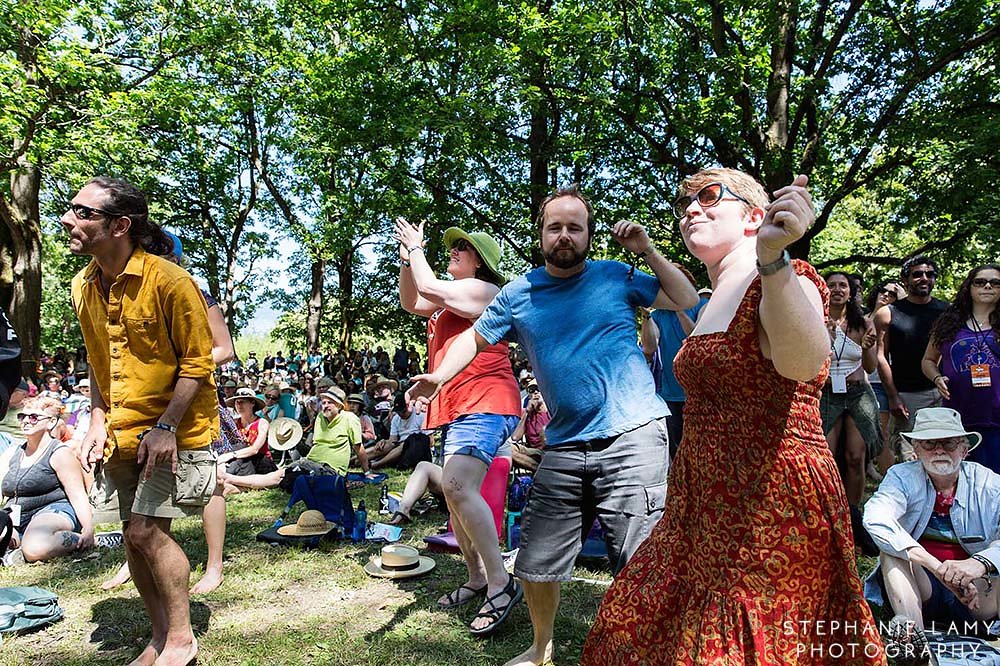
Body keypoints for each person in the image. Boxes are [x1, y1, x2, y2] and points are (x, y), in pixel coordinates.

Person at [582, 170, 881, 664]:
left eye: (708, 196)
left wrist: (774, 260)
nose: (690, 210)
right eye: (684, 204)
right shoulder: (712, 296)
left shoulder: (789, 277)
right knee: (632, 624)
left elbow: (806, 363)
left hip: (769, 502)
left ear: (754, 217)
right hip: (700, 504)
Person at [406, 185, 697, 665]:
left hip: (634, 435)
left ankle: (648, 651)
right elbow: (474, 341)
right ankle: (541, 648)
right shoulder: (519, 293)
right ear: (541, 234)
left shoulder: (617, 275)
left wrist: (646, 249)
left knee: (639, 560)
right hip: (564, 443)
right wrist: (438, 375)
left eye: (574, 227)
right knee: (537, 564)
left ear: (587, 234)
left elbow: (684, 296)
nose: (564, 235)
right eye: (554, 226)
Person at [67, 176, 218, 666]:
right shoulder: (82, 286)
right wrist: (95, 421)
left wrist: (167, 427)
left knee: (145, 531)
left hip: (176, 430)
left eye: (83, 212)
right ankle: (157, 637)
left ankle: (181, 639)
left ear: (121, 226)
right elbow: (97, 361)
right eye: (71, 209)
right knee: (134, 535)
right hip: (120, 431)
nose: (69, 220)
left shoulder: (170, 281)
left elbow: (199, 363)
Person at [395, 218, 523, 637]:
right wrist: (405, 257)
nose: (454, 250)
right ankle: (477, 577)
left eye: (463, 248)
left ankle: (501, 582)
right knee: (454, 498)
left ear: (481, 262)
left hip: (488, 400)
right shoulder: (450, 298)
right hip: (459, 404)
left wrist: (417, 248)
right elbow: (413, 302)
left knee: (456, 487)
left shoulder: (485, 292)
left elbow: (430, 289)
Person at [863, 407, 1000, 657]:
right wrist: (937, 568)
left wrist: (979, 564)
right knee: (891, 552)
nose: (939, 450)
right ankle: (913, 638)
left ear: (964, 449)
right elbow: (875, 518)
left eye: (948, 443)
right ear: (915, 449)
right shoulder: (901, 477)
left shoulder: (988, 482)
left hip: (976, 592)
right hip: (922, 584)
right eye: (929, 443)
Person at [922, 264, 1000, 473]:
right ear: (969, 287)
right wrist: (937, 378)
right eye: (980, 282)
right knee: (960, 475)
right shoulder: (949, 323)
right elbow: (928, 360)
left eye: (995, 282)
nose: (987, 286)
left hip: (996, 414)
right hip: (958, 414)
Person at [0, 396, 94, 563]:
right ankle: (19, 548)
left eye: (34, 417)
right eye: (22, 416)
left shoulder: (59, 453)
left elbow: (78, 494)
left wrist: (88, 529)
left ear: (51, 422)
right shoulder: (12, 452)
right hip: (16, 516)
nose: (26, 421)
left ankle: (83, 539)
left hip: (52, 511)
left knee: (35, 548)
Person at [874, 256, 949, 461]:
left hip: (942, 392)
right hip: (907, 395)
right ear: (905, 279)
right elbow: (881, 357)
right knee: (911, 456)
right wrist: (893, 396)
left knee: (944, 452)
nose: (924, 278)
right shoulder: (888, 313)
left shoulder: (947, 312)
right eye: (917, 274)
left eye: (930, 274)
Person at [820, 271, 880, 506]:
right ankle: (829, 510)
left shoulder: (864, 323)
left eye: (842, 285)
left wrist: (866, 348)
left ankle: (854, 515)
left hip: (857, 393)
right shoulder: (814, 320)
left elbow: (870, 365)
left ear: (850, 291)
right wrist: (826, 339)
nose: (837, 289)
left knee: (855, 457)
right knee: (828, 457)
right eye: (831, 285)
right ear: (823, 290)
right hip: (826, 394)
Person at [640, 264, 709, 456]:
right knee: (676, 450)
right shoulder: (658, 315)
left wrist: (680, 307)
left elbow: (695, 336)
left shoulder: (702, 305)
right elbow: (650, 347)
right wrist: (646, 316)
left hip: (698, 391)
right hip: (670, 393)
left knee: (700, 447)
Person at [866, 280, 907, 476]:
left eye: (892, 294)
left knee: (890, 435)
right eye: (883, 290)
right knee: (879, 434)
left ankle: (890, 478)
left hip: (892, 384)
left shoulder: (897, 320)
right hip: (867, 383)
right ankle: (883, 476)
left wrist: (903, 300)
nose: (886, 295)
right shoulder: (861, 319)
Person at [217, 388, 274, 495]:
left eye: (242, 401)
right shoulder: (233, 423)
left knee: (239, 451)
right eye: (236, 402)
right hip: (241, 463)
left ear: (252, 403)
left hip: (260, 462)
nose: (239, 405)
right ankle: (236, 485)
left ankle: (231, 483)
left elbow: (255, 449)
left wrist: (230, 455)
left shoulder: (262, 423)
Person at [369, 394, 431, 471]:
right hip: (399, 445)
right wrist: (384, 441)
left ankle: (376, 464)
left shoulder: (421, 415)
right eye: (398, 412)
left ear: (409, 406)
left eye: (403, 411)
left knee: (404, 444)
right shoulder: (396, 419)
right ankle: (359, 459)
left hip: (415, 447)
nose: (401, 414)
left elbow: (431, 441)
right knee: (384, 446)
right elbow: (392, 441)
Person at [509, 380, 550, 472]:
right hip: (535, 452)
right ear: (528, 395)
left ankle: (543, 470)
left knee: (544, 431)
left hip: (552, 450)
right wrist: (527, 412)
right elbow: (515, 437)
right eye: (532, 390)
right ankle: (540, 470)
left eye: (538, 389)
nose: (536, 392)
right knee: (508, 449)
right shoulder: (526, 413)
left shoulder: (551, 410)